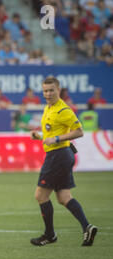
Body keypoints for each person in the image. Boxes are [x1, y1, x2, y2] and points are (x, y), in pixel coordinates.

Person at [30, 76, 98, 247]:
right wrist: (40, 136)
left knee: (40, 195)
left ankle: (49, 235)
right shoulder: (48, 108)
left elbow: (79, 131)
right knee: (64, 197)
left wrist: (57, 138)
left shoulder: (63, 110)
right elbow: (52, 133)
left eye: (51, 90)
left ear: (58, 90)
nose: (48, 93)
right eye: (45, 90)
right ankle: (87, 227)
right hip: (63, 154)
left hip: (58, 155)